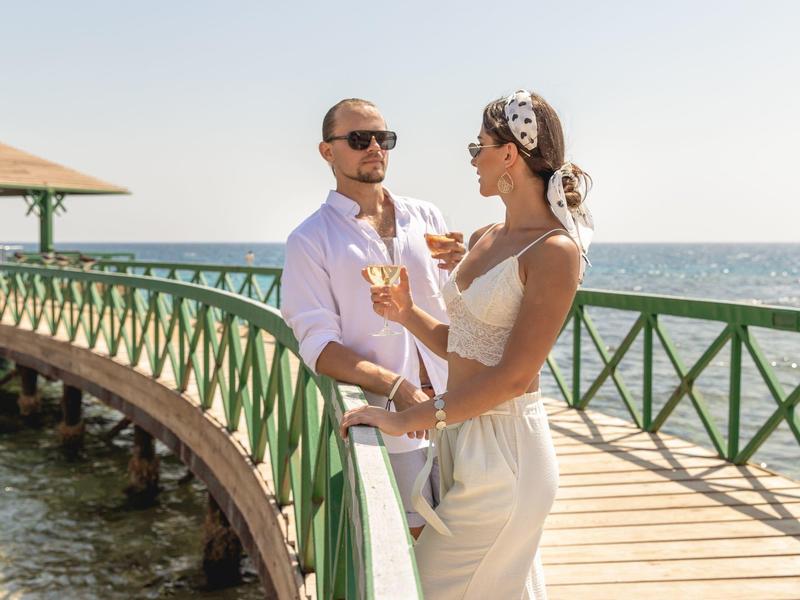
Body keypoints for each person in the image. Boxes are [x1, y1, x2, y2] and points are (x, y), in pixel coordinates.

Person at [340, 89, 594, 599]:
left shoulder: (555, 251)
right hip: (459, 441)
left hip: (507, 457)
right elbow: (464, 346)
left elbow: (514, 377)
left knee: (420, 589)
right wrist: (406, 312)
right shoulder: (483, 236)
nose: (473, 159)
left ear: (509, 155)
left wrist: (400, 419)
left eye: (478, 146)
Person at [281, 98, 466, 538]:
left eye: (383, 138)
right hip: (392, 425)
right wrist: (397, 389)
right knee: (415, 546)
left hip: (460, 405)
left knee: (472, 543)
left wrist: (465, 265)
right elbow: (318, 346)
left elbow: (452, 305)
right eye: (359, 139)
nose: (374, 148)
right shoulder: (309, 239)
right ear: (327, 151)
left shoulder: (427, 217)